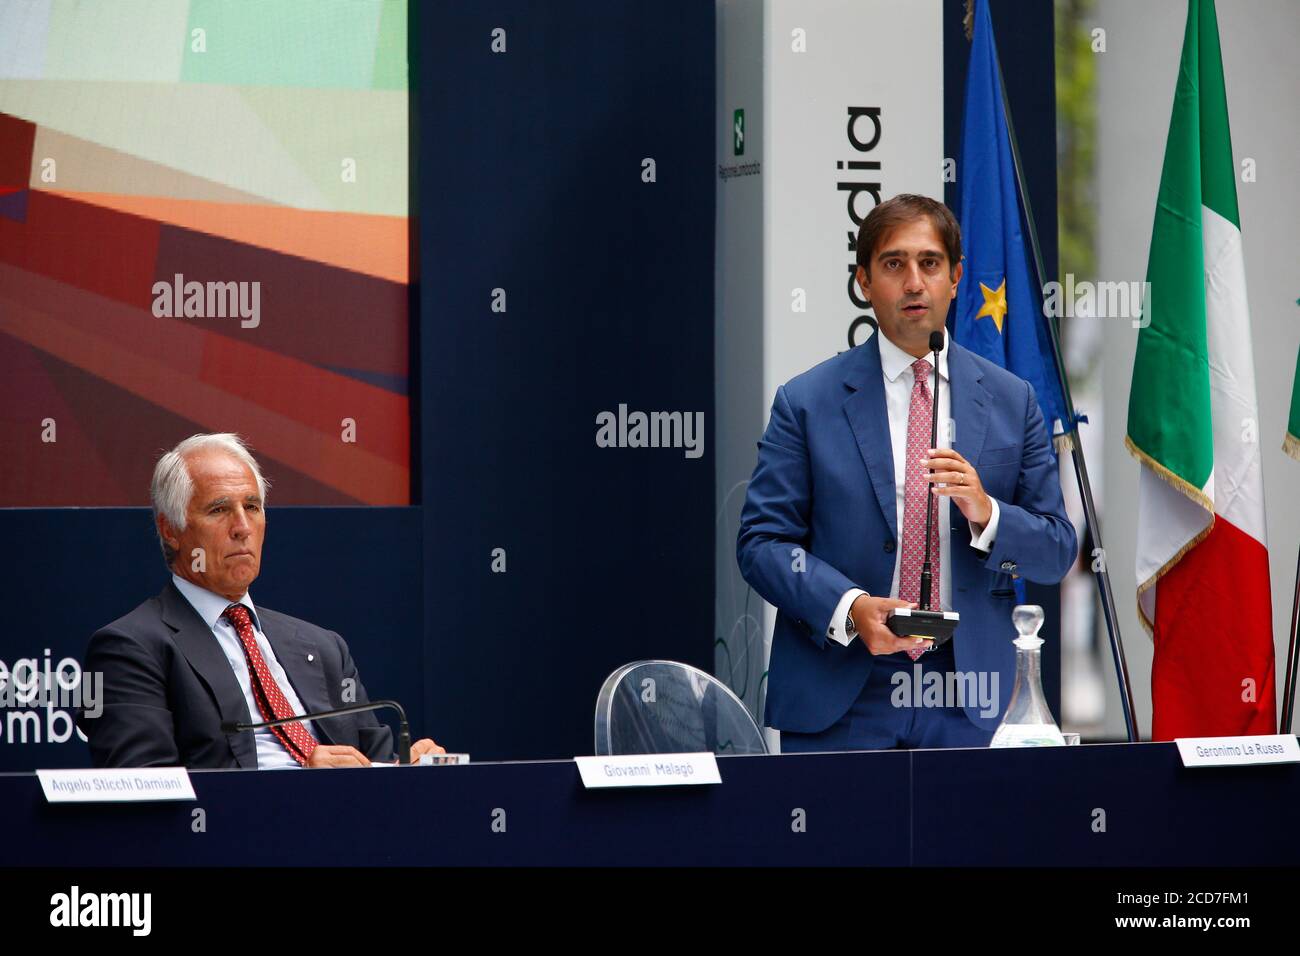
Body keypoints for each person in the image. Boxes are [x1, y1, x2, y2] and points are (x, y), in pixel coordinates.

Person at [736, 194, 1076, 751]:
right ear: (864, 282)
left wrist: (988, 515)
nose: (914, 282)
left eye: (930, 263)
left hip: (970, 693)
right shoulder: (806, 402)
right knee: (841, 842)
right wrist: (848, 609)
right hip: (844, 689)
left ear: (956, 277)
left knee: (967, 842)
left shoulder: (1014, 402)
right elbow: (761, 544)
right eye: (894, 264)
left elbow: (1057, 549)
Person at [79, 433, 444, 769]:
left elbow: (373, 760)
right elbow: (146, 791)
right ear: (170, 530)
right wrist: (298, 785)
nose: (242, 527)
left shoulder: (323, 647)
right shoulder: (128, 648)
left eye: (252, 507)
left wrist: (408, 768)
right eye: (219, 510)